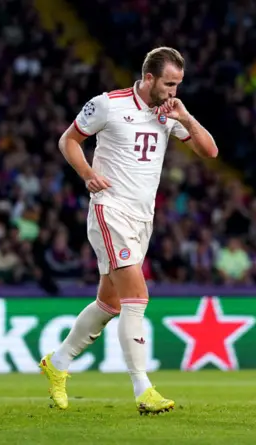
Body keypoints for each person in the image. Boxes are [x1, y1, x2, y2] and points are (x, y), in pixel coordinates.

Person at [39, 47, 218, 414]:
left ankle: (56, 363)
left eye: (179, 84)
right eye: (169, 83)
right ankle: (143, 389)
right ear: (149, 78)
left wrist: (185, 115)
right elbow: (68, 140)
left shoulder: (170, 114)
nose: (173, 91)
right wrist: (88, 173)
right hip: (110, 210)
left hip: (142, 218)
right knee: (137, 297)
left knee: (110, 303)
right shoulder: (108, 105)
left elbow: (210, 151)